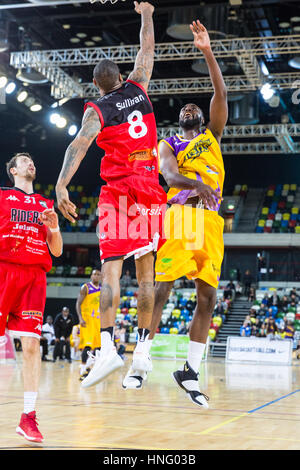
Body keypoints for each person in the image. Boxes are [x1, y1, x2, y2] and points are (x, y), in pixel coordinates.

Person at [55, 2, 167, 390]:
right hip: (151, 192)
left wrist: (61, 184)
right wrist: (147, 15)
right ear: (121, 76)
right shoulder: (139, 86)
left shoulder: (97, 109)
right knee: (147, 275)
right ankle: (142, 351)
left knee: (112, 272)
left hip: (120, 192)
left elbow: (80, 145)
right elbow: (147, 49)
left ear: (96, 85)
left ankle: (107, 347)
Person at [148, 20, 227, 407]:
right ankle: (141, 359)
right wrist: (198, 185)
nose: (191, 108)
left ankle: (190, 371)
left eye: (195, 107)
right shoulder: (171, 142)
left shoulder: (212, 136)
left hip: (211, 222)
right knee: (164, 287)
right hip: (183, 216)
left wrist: (207, 51)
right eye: (185, 107)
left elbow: (220, 91)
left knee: (208, 298)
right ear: (180, 120)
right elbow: (170, 176)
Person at [0, 152, 63, 443]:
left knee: (31, 348)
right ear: (13, 170)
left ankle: (28, 417)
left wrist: (53, 226)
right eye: (24, 161)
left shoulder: (45, 204)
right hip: (4, 269)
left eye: (32, 161)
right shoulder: (2, 196)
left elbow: (58, 250)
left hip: (34, 277)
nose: (31, 164)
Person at [76, 269, 102, 380]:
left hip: (97, 320)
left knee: (98, 347)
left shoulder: (102, 289)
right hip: (86, 320)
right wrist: (80, 318)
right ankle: (82, 368)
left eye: (98, 274)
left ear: (100, 277)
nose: (96, 276)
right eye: (94, 274)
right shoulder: (85, 287)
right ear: (91, 276)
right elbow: (78, 303)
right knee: (87, 346)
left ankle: (89, 368)